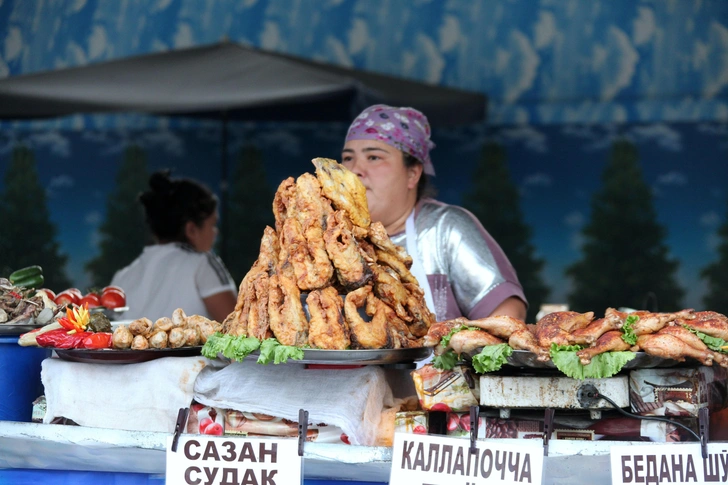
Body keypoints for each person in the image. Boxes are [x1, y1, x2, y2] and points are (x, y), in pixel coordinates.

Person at [341, 104, 527, 321]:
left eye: (374, 157)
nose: (354, 170)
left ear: (413, 174)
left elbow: (508, 313)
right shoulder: (335, 237)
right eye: (347, 158)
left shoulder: (445, 228)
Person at [111, 171, 237, 322]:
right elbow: (240, 331)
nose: (215, 233)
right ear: (191, 230)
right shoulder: (203, 264)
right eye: (213, 224)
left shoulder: (122, 277)